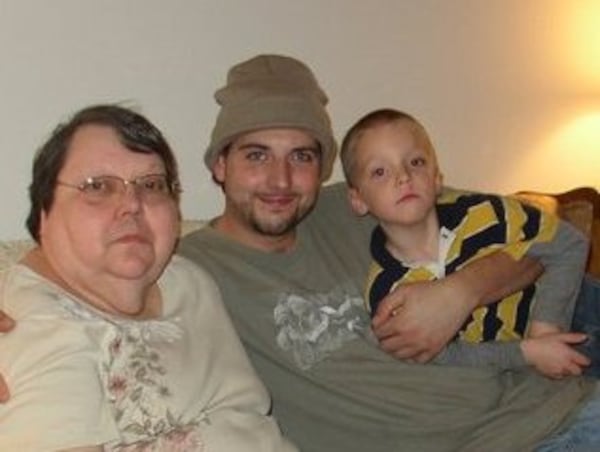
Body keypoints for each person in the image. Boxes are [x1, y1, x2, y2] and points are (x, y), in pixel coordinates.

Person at [175, 54, 599, 451]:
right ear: (219, 165)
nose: (281, 180)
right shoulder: (190, 267)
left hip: (552, 414)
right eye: (256, 155)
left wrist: (459, 292)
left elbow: (542, 233)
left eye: (301, 156)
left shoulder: (364, 199)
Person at [0, 105, 295, 451]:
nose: (132, 204)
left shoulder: (187, 279)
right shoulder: (34, 324)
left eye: (152, 185)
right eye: (97, 186)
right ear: (44, 216)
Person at [339, 107, 590, 377]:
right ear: (358, 200)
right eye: (379, 172)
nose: (403, 176)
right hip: (522, 372)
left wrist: (547, 329)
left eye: (415, 162)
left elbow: (569, 242)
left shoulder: (488, 214)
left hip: (579, 318)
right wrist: (529, 352)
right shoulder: (385, 291)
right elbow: (439, 356)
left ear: (436, 179)